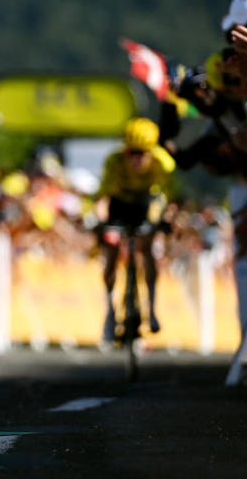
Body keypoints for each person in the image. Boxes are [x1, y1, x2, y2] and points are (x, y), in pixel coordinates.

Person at [96, 117, 176, 342]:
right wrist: (101, 222)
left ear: (151, 152)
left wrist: (165, 220)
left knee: (146, 247)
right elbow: (103, 197)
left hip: (145, 203)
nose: (135, 159)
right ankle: (110, 312)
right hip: (119, 204)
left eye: (141, 153)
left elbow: (168, 199)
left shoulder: (163, 164)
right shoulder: (114, 162)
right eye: (131, 153)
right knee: (110, 252)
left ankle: (151, 308)